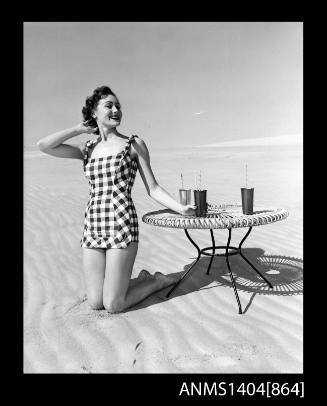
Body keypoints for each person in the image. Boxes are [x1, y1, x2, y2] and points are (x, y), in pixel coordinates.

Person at [37, 85, 197, 313]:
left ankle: (156, 281)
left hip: (122, 224)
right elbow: (43, 146)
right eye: (108, 105)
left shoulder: (133, 144)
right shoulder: (87, 148)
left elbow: (153, 188)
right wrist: (78, 129)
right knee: (95, 302)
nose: (116, 110)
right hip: (93, 223)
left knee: (113, 304)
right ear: (94, 112)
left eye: (118, 106)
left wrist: (180, 208)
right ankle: (133, 281)